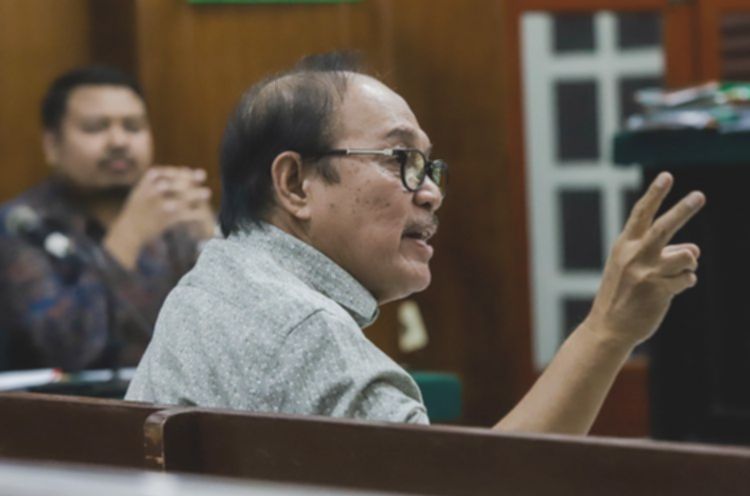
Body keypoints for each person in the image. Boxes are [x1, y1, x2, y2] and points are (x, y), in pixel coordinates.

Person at [126, 53, 705, 433]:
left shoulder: (214, 281)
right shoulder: (304, 332)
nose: (430, 193)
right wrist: (608, 328)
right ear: (296, 183)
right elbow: (482, 492)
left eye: (429, 167)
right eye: (401, 159)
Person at [0, 66, 215, 372]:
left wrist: (212, 241)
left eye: (133, 127)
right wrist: (127, 237)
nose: (119, 141)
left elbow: (236, 336)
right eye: (95, 128)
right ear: (52, 145)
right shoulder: (20, 225)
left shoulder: (174, 213)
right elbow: (64, 349)